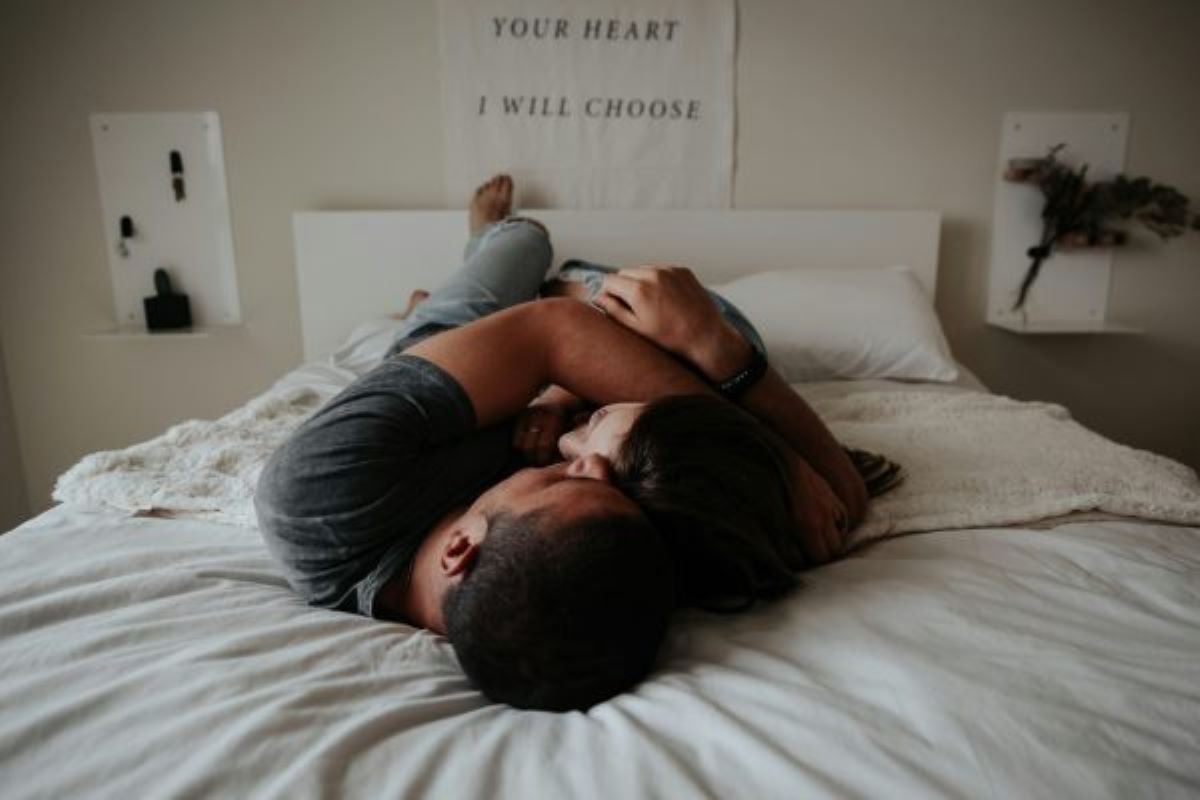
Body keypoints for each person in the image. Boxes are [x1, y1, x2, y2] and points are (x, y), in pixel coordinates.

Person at [255, 174, 872, 711]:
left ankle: (480, 263)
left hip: (445, 350)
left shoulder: (316, 497)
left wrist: (561, 369)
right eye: (610, 485)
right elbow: (836, 501)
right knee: (716, 331)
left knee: (525, 243)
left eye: (563, 477)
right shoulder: (615, 568)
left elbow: (555, 334)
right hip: (539, 354)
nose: (590, 462)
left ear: (460, 547)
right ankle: (554, 285)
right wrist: (756, 412)